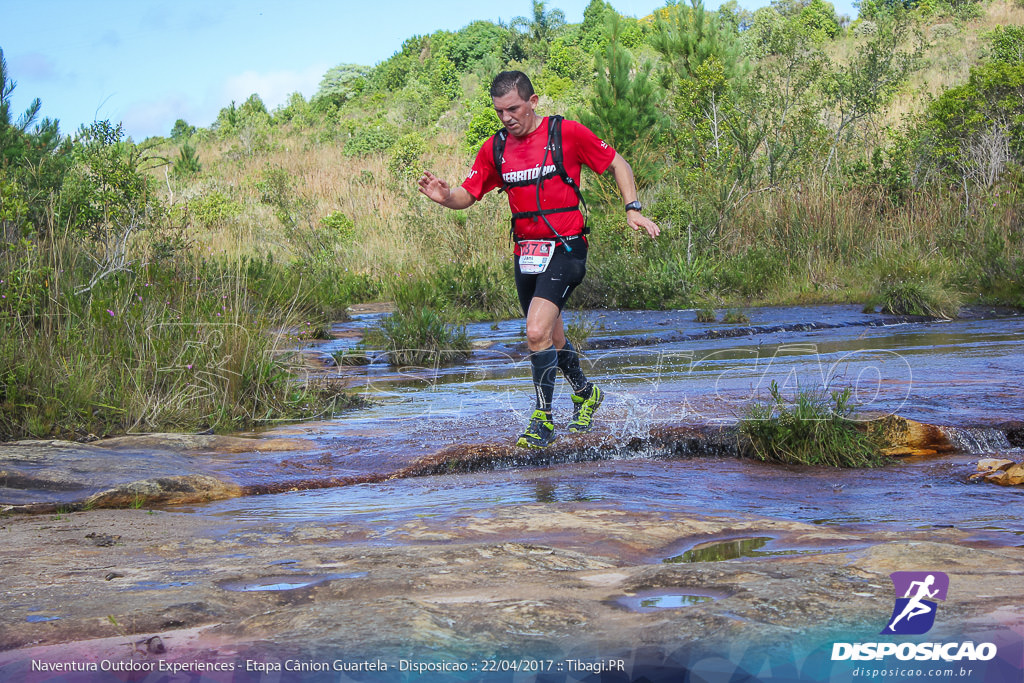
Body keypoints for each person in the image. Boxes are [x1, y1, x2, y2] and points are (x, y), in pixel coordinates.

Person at [417, 70, 659, 448]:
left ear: (532, 102)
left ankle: (542, 420)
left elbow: (618, 163)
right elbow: (469, 193)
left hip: (567, 247)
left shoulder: (566, 133)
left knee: (534, 332)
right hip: (527, 254)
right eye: (499, 112)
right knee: (549, 334)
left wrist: (633, 208)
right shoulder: (494, 148)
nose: (506, 118)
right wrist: (446, 197)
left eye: (513, 108)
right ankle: (585, 392)